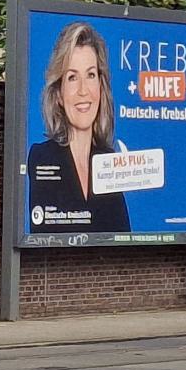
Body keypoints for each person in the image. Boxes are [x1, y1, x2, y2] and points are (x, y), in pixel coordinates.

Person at [26, 22, 132, 233]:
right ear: (59, 94)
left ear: (101, 86)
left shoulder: (108, 161)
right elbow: (45, 238)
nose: (83, 90)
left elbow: (122, 237)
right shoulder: (42, 157)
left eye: (90, 75)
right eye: (72, 77)